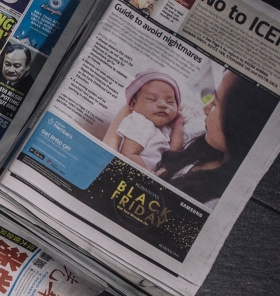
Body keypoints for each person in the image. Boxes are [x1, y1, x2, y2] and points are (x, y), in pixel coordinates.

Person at [157, 70, 278, 207]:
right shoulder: (207, 141)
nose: (205, 109)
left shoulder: (216, 201)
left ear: (238, 125)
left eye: (215, 104)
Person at [102, 70, 185, 173]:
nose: (163, 104)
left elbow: (173, 151)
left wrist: (177, 127)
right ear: (133, 105)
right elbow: (128, 154)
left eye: (170, 102)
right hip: (130, 169)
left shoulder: (165, 127)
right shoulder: (140, 122)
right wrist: (147, 172)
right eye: (152, 99)